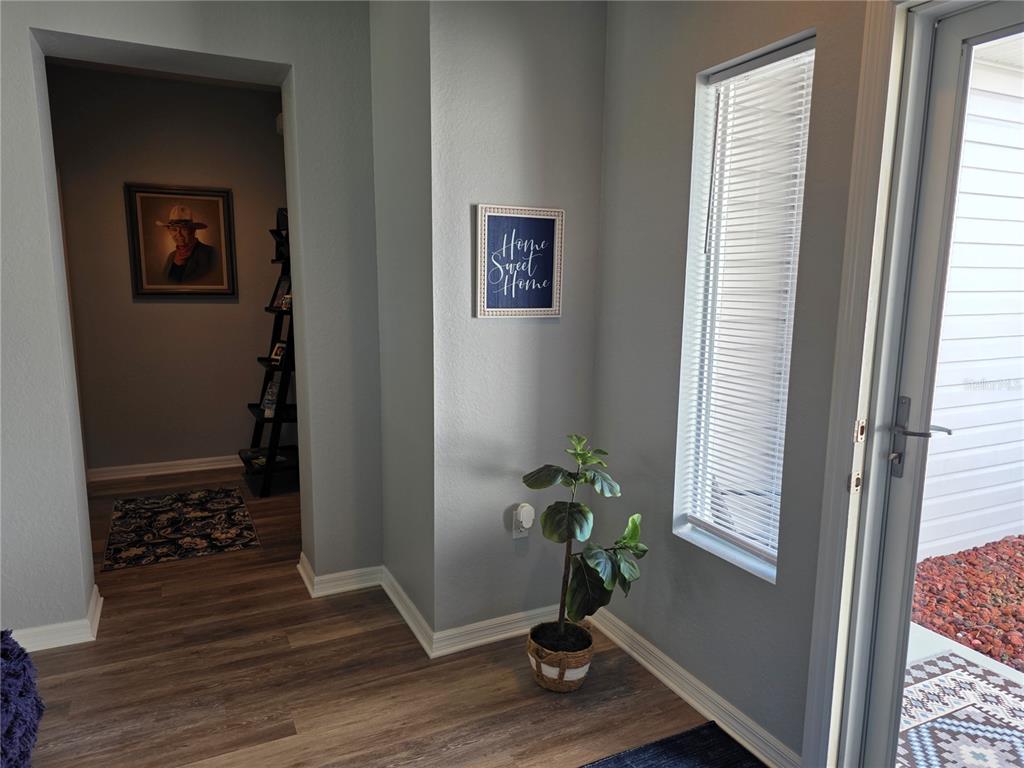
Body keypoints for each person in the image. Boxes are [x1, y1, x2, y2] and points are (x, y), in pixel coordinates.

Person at [158, 205, 218, 283]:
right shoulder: (171, 257)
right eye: (174, 229)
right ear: (169, 232)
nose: (178, 234)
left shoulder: (210, 253)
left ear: (193, 231)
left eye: (184, 229)